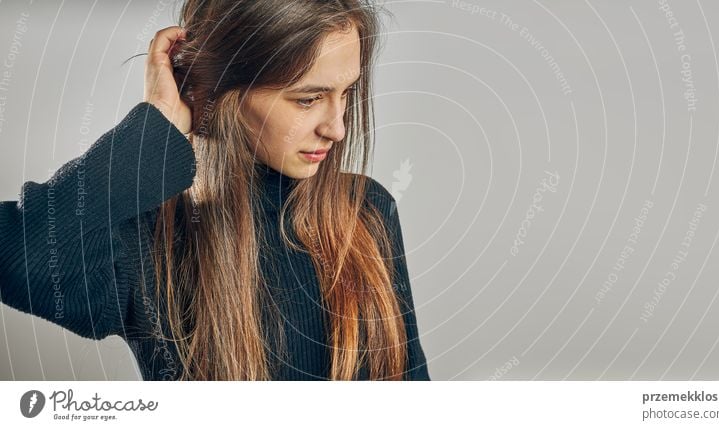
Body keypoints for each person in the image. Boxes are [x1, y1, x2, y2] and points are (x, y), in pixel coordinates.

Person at [0, 0, 430, 381]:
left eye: (346, 93)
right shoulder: (145, 242)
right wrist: (158, 123)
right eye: (307, 99)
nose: (336, 128)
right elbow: (18, 256)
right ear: (225, 90)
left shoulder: (366, 210)